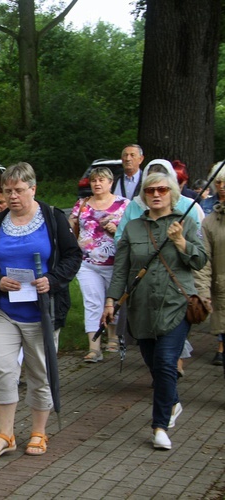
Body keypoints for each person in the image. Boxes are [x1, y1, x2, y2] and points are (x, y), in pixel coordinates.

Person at [0, 162, 81, 458]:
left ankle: (38, 431)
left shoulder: (52, 218)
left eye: (19, 190)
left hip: (42, 312)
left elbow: (73, 256)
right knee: (0, 368)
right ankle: (5, 434)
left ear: (33, 189)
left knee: (40, 373)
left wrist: (52, 280)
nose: (12, 196)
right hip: (5, 310)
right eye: (8, 191)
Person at [103, 172, 207, 450]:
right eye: (150, 190)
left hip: (176, 305)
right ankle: (172, 401)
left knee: (164, 362)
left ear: (172, 192)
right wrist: (111, 302)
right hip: (141, 308)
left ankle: (159, 426)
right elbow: (121, 269)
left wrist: (181, 242)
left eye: (162, 189)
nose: (156, 194)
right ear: (144, 195)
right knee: (153, 362)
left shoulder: (186, 222)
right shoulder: (133, 228)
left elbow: (200, 260)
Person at [69, 167, 129, 362]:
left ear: (111, 183)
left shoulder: (123, 205)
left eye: (102, 180)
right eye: (94, 180)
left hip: (115, 262)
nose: (97, 183)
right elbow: (72, 226)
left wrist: (117, 229)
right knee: (92, 302)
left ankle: (113, 336)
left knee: (113, 301)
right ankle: (94, 346)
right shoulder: (83, 204)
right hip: (87, 262)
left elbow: (131, 231)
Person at [195, 166, 225, 377]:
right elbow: (204, 261)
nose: (221, 187)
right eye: (218, 183)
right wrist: (203, 292)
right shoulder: (210, 221)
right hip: (222, 293)